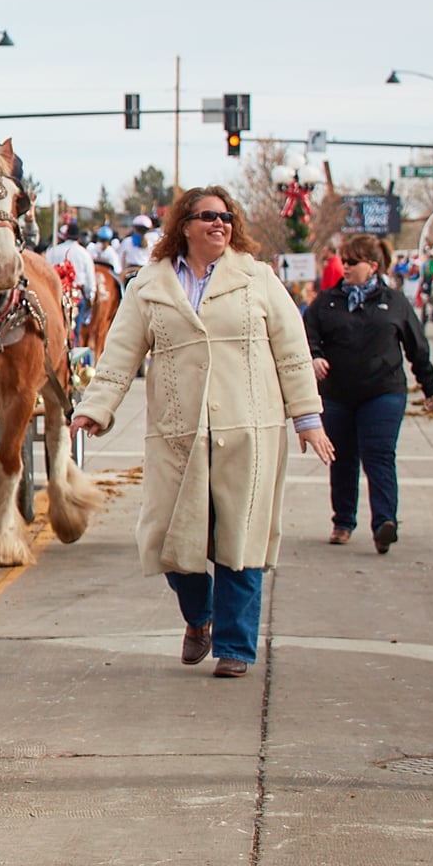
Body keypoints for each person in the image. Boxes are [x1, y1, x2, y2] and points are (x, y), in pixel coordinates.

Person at [70, 187, 335, 679]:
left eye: (226, 216)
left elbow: (292, 348)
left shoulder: (257, 279)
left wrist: (307, 417)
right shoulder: (150, 285)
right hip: (177, 433)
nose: (220, 224)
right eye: (208, 216)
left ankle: (236, 647)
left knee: (241, 539)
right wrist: (95, 407)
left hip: (248, 429)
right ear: (184, 226)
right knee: (170, 539)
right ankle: (200, 616)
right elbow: (121, 353)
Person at [302, 234, 433, 555]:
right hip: (337, 394)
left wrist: (429, 386)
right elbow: (304, 335)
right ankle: (344, 521)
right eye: (343, 261)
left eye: (352, 262)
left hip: (383, 393)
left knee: (378, 455)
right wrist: (315, 355)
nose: (344, 266)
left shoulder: (394, 302)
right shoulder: (327, 302)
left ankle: (384, 524)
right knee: (343, 457)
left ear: (372, 266)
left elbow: (417, 347)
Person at [46, 223, 100, 342]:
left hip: (56, 294)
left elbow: (46, 271)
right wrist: (90, 296)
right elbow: (90, 279)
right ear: (78, 237)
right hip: (76, 295)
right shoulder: (84, 253)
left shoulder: (53, 250)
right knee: (74, 330)